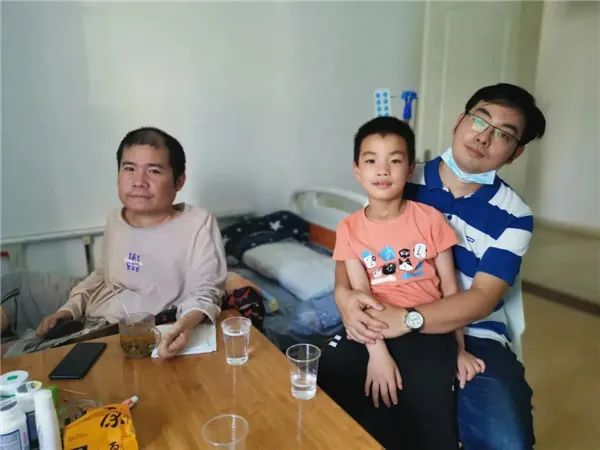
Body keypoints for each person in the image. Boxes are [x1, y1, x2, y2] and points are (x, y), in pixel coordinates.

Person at [332, 83, 546, 450]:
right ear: (460, 120)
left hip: (475, 333)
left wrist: (409, 319)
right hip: (386, 310)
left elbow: (481, 298)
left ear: (516, 152)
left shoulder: (515, 215)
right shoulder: (401, 175)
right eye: (480, 120)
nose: (483, 137)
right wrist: (342, 294)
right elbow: (356, 244)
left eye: (503, 134)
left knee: (506, 440)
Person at [319, 117, 484, 450]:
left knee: (427, 399)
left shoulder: (429, 219)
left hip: (427, 324)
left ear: (409, 169)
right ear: (357, 170)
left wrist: (459, 349)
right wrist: (378, 355)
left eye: (394, 161)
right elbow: (360, 295)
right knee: (332, 372)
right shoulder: (349, 228)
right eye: (371, 161)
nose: (382, 170)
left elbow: (450, 290)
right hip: (374, 327)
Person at [32, 127, 227, 359]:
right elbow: (102, 275)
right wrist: (69, 309)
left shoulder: (197, 224)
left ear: (179, 181)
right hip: (91, 321)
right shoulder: (116, 219)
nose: (138, 182)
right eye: (129, 169)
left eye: (153, 171)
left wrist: (183, 326)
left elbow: (206, 290)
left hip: (136, 334)